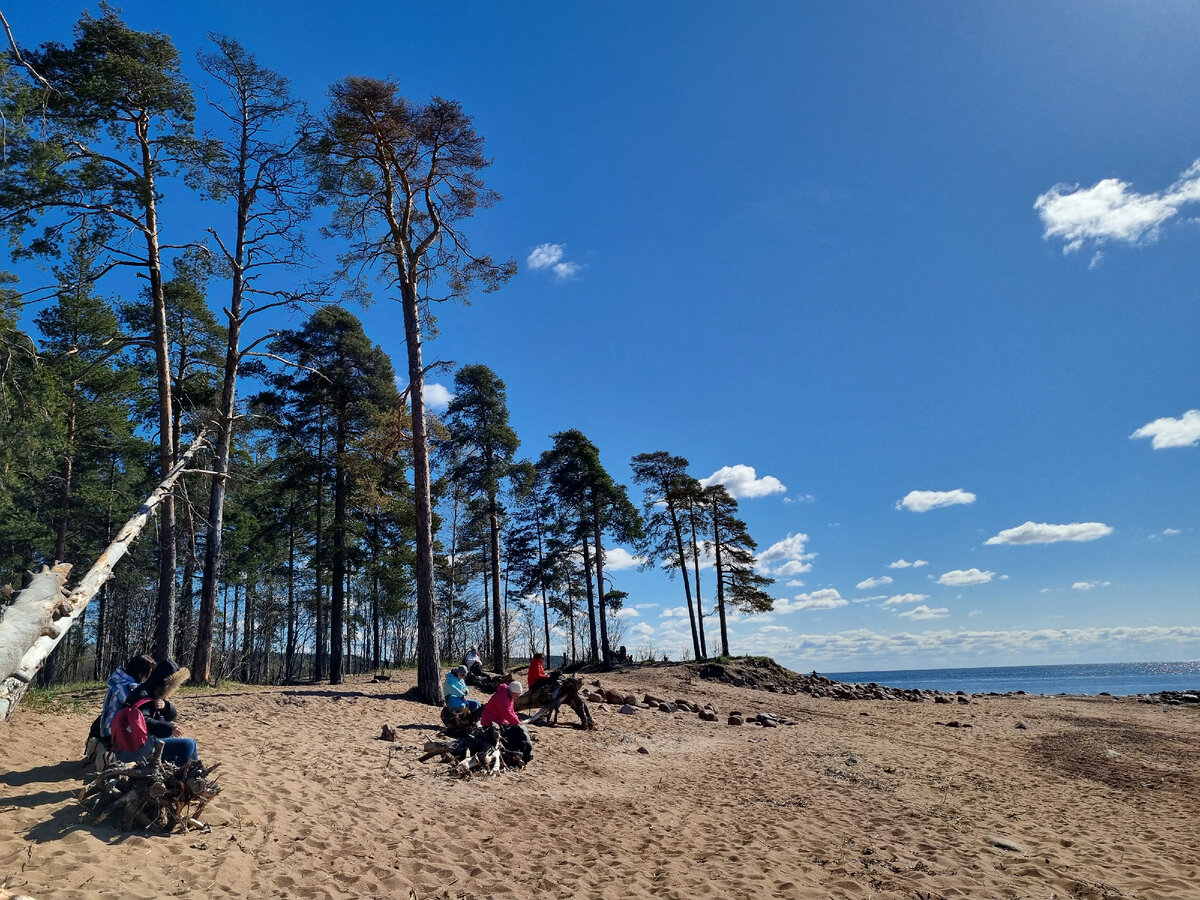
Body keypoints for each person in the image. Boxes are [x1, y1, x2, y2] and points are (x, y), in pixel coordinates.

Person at [116, 658, 199, 767]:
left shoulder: (153, 692)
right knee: (187, 744)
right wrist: (170, 728)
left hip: (150, 740)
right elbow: (143, 721)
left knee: (192, 743)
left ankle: (195, 776)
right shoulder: (143, 694)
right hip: (140, 746)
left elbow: (170, 715)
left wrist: (166, 706)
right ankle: (180, 779)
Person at [83, 653, 155, 769]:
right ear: (140, 672)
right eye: (147, 673)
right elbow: (138, 706)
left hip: (108, 728)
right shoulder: (126, 686)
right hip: (114, 731)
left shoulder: (118, 681)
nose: (147, 676)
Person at [480, 680, 532, 761]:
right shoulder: (502, 697)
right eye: (516, 695)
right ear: (511, 692)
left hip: (499, 720)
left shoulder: (509, 696)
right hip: (490, 721)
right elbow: (506, 713)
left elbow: (511, 711)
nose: (517, 697)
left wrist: (517, 722)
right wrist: (516, 723)